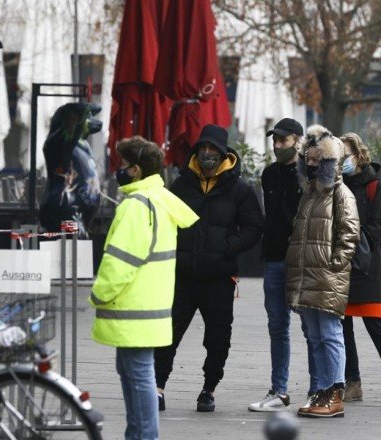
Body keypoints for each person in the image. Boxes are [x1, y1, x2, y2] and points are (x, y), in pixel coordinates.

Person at [90, 136, 198, 440]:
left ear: (136, 170)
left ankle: (143, 436)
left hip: (132, 306)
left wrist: (99, 293)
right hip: (151, 304)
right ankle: (137, 435)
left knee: (137, 377)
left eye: (123, 165)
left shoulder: (137, 205)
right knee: (135, 374)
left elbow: (121, 260)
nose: (119, 170)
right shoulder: (159, 200)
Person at [154, 124, 264, 413]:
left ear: (224, 153)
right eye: (203, 148)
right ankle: (158, 388)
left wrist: (228, 247)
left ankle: (208, 389)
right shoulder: (180, 185)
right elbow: (164, 222)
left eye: (213, 149)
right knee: (168, 334)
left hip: (218, 278)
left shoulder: (239, 190)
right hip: (182, 275)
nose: (207, 154)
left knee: (217, 338)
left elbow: (254, 227)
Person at [286, 124, 360, 418]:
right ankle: (321, 388)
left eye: (318, 159)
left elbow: (349, 233)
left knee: (330, 334)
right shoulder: (310, 194)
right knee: (315, 336)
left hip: (327, 276)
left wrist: (335, 266)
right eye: (308, 158)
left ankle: (335, 391)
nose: (311, 163)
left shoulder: (340, 193)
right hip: (307, 275)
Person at [248, 118, 312, 412]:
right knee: (277, 326)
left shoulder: (309, 173)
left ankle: (318, 388)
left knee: (311, 327)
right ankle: (279, 389)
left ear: (297, 140)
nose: (277, 145)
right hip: (273, 257)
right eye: (275, 140)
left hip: (301, 259)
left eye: (283, 140)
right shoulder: (269, 174)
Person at [339, 132, 381, 404]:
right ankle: (352, 382)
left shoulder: (375, 185)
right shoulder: (334, 184)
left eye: (346, 155)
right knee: (343, 328)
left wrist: (347, 237)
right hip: (341, 265)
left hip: (368, 266)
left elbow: (378, 227)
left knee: (377, 325)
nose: (342, 160)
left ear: (358, 153)